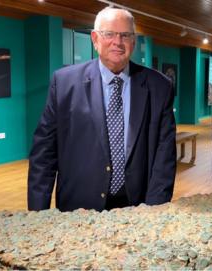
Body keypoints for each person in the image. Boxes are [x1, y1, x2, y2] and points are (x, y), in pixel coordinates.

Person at [28, 7, 176, 212]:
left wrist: (154, 211)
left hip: (138, 207)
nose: (118, 42)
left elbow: (164, 155)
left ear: (133, 41)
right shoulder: (64, 83)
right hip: (78, 209)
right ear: (95, 39)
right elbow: (44, 154)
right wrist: (38, 215)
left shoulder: (159, 86)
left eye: (125, 35)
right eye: (109, 34)